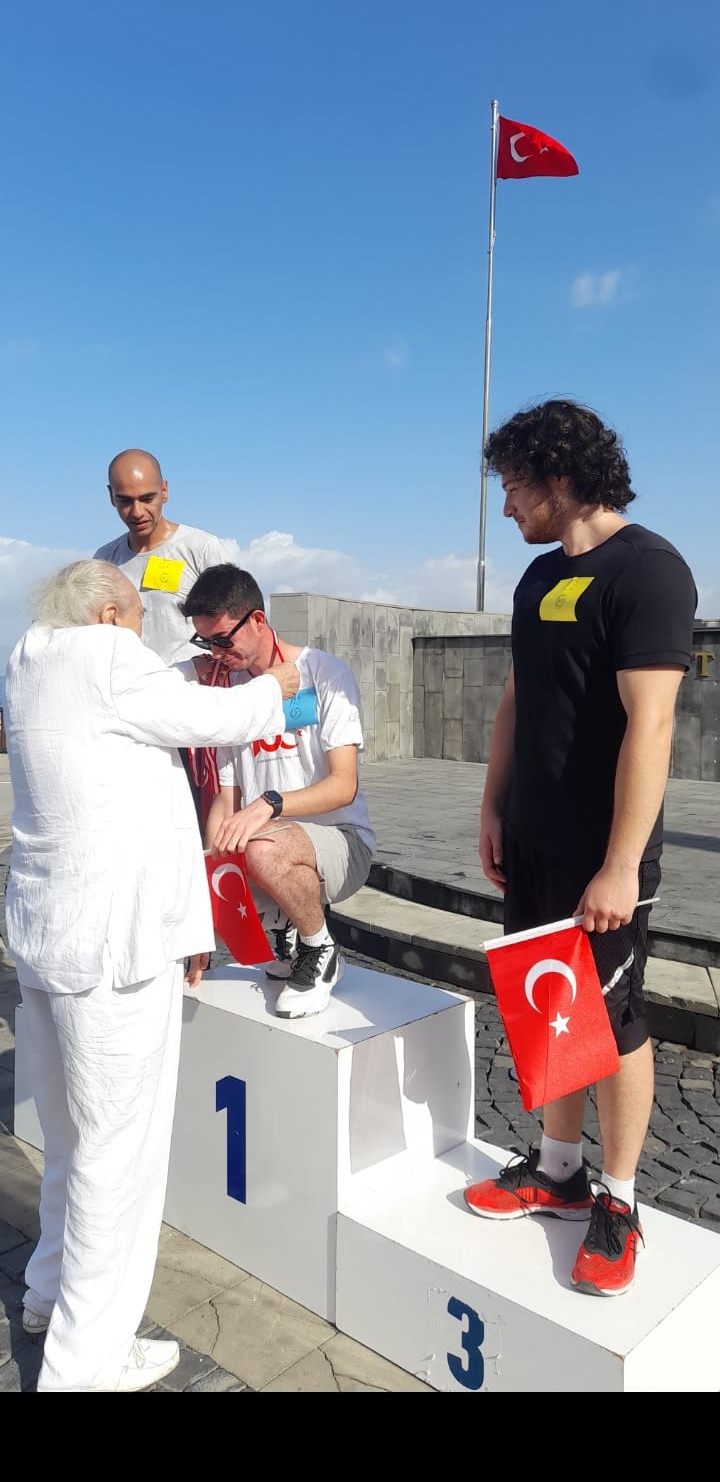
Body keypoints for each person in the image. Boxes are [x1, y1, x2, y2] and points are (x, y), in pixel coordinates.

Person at [4, 559, 299, 1392]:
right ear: (107, 614)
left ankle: (48, 1293)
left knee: (69, 1139)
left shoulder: (29, 655)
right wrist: (275, 686)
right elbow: (211, 716)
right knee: (117, 1158)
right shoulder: (106, 654)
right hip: (116, 947)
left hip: (49, 938)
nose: (141, 635)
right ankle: (85, 1362)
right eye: (137, 619)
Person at [464, 398, 697, 1299]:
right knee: (546, 1005)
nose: (508, 506)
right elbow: (517, 700)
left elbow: (653, 724)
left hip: (604, 855)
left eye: (516, 486)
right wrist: (493, 807)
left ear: (560, 476)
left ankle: (620, 1201)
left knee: (615, 1022)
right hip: (531, 836)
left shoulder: (650, 571)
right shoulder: (538, 577)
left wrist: (620, 863)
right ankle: (558, 1173)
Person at [179, 563, 377, 1019]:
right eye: (206, 643)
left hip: (342, 842)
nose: (216, 654)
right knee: (187, 879)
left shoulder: (325, 674)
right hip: (270, 844)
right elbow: (224, 801)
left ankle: (321, 948)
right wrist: (206, 895)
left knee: (263, 847)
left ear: (258, 620)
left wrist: (269, 805)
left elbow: (343, 786)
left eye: (223, 640)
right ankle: (287, 931)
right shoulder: (233, 693)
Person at [94, 447, 241, 816]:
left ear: (165, 491)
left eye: (147, 498)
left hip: (193, 713)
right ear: (110, 497)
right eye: (125, 501)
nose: (136, 512)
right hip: (133, 716)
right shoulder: (105, 561)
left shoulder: (201, 549)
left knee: (201, 816)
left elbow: (235, 622)